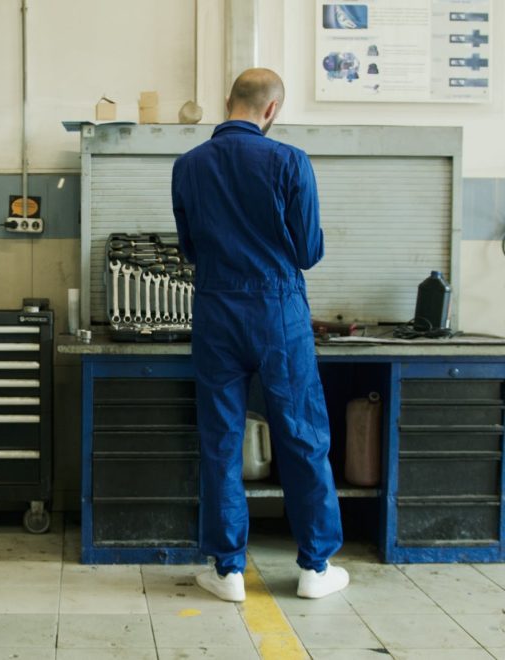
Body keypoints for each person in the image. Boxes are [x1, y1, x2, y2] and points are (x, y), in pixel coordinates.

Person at [171, 68, 349, 602]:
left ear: (229, 102)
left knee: (221, 439)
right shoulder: (289, 161)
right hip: (278, 312)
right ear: (271, 110)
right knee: (301, 435)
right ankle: (315, 568)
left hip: (216, 311)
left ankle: (227, 571)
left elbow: (189, 248)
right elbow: (308, 253)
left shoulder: (187, 165)